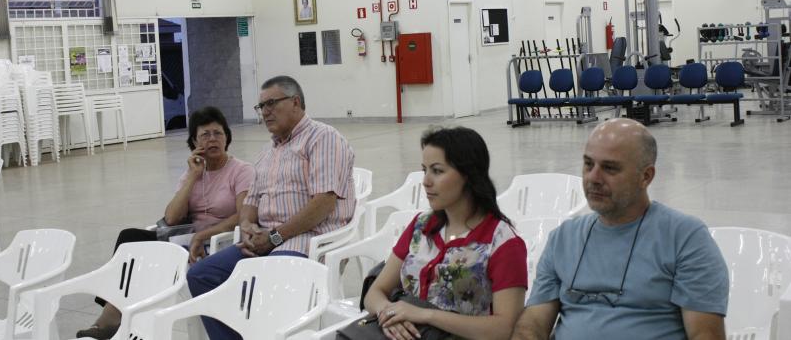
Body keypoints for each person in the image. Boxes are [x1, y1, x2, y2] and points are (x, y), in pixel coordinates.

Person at [512, 118, 728, 340]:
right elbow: (533, 324)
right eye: (588, 164)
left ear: (645, 176)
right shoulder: (563, 239)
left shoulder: (685, 238)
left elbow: (705, 335)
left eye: (610, 168)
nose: (593, 178)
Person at [187, 75, 355, 340]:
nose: (265, 112)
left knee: (260, 287)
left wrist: (275, 237)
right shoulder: (268, 152)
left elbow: (323, 203)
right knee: (201, 275)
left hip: (307, 240)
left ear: (295, 102)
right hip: (264, 241)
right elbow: (251, 202)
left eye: (271, 104)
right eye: (261, 106)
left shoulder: (323, 138)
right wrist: (247, 227)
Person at [76, 106, 254, 339]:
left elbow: (243, 215)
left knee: (146, 256)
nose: (212, 139)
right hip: (186, 237)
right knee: (129, 238)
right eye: (205, 135)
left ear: (227, 137)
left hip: (219, 241)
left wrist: (204, 234)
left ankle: (110, 322)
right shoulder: (193, 173)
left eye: (218, 133)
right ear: (195, 142)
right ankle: (112, 316)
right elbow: (171, 218)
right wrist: (193, 177)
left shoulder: (241, 171)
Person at [364, 126, 528, 340]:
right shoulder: (421, 227)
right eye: (424, 170)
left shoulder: (502, 242)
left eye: (437, 171)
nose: (426, 181)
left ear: (468, 175)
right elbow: (375, 292)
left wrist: (426, 315)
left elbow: (505, 329)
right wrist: (390, 314)